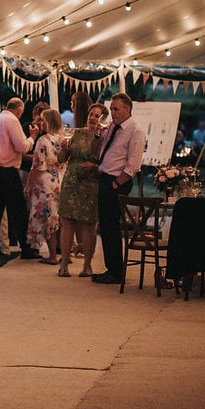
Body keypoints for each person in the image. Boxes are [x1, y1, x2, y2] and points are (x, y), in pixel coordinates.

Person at [92, 93, 146, 285]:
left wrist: (115, 184)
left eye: (116, 109)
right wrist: (98, 134)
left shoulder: (135, 131)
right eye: (111, 109)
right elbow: (102, 149)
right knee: (106, 226)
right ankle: (111, 268)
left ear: (127, 109)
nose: (112, 112)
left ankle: (116, 271)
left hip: (117, 181)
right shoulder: (112, 127)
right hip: (105, 178)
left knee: (112, 225)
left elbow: (133, 166)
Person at [0, 97, 42, 259]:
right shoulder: (12, 120)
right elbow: (22, 146)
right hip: (8, 170)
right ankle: (25, 247)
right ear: (19, 111)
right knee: (19, 210)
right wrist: (32, 137)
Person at [58, 94, 103, 278]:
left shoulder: (104, 137)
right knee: (67, 222)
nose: (93, 118)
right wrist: (64, 149)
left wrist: (95, 166)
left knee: (88, 225)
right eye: (91, 114)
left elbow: (107, 162)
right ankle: (63, 264)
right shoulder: (76, 133)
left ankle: (87, 265)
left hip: (90, 183)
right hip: (71, 182)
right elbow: (61, 160)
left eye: (97, 115)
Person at [25, 108, 64, 266]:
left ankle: (52, 255)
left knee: (48, 219)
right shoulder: (62, 139)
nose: (40, 123)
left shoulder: (43, 140)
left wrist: (28, 185)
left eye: (42, 120)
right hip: (58, 181)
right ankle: (64, 254)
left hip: (45, 183)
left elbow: (36, 166)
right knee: (58, 219)